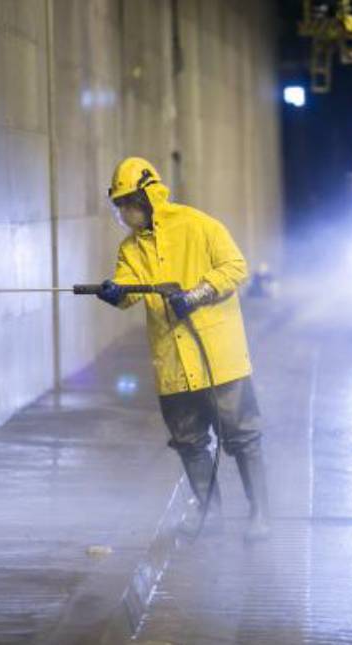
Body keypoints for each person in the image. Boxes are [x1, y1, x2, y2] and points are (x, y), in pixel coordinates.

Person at [97, 157, 270, 542]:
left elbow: (235, 267)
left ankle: (260, 514)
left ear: (147, 197)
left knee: (242, 435)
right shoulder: (131, 249)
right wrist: (115, 292)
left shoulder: (199, 226)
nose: (124, 213)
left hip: (220, 359)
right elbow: (129, 290)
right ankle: (210, 513)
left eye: (127, 204)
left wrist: (196, 295)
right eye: (119, 206)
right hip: (173, 362)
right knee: (189, 441)